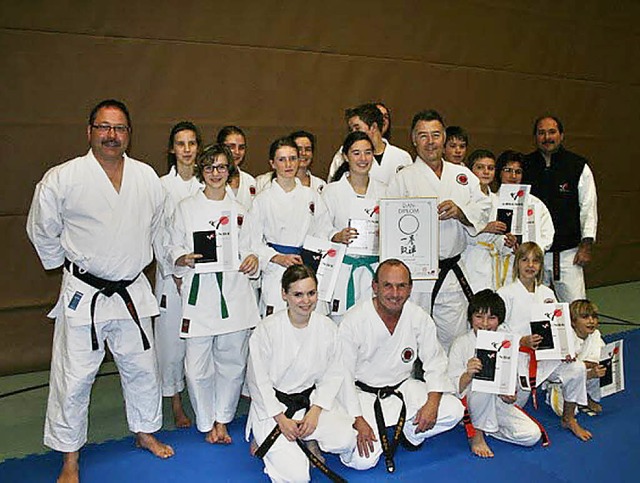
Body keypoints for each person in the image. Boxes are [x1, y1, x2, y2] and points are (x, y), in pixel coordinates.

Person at [26, 99, 173, 483]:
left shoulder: (146, 179)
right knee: (74, 379)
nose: (112, 135)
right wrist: (65, 265)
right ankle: (70, 457)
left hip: (131, 291)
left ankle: (144, 431)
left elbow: (158, 228)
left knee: (142, 370)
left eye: (120, 128)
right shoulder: (63, 178)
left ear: (129, 134)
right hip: (84, 293)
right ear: (89, 131)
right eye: (104, 127)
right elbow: (42, 228)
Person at [167, 144, 261, 444]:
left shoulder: (241, 211)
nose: (216, 173)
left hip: (234, 292)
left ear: (229, 170)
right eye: (209, 167)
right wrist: (182, 258)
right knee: (196, 366)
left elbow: (253, 247)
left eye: (221, 167)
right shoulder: (186, 208)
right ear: (201, 171)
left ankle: (222, 419)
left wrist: (253, 260)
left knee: (232, 361)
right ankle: (205, 420)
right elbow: (173, 245)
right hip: (201, 293)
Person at [339, 259, 463, 472]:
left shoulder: (418, 317)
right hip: (364, 395)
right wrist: (357, 419)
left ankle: (410, 432)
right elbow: (342, 374)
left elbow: (435, 362)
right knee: (363, 461)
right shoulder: (354, 321)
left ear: (410, 288)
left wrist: (432, 404)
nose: (395, 293)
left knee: (453, 410)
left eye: (401, 286)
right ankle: (360, 431)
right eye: (387, 285)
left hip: (403, 388)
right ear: (375, 287)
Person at [387, 109, 491, 350]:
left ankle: (448, 386)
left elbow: (484, 206)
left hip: (452, 271)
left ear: (444, 137)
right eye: (423, 136)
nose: (430, 141)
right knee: (412, 338)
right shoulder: (403, 178)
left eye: (435, 134)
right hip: (416, 273)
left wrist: (461, 212)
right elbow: (390, 225)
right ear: (413, 140)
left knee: (452, 341)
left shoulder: (462, 175)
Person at [246, 265, 357, 483]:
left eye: (311, 293)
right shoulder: (266, 330)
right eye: (298, 294)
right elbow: (258, 381)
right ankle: (265, 437)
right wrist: (280, 420)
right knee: (297, 477)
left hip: (309, 403)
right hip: (273, 407)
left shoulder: (327, 328)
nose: (306, 301)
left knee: (346, 439)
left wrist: (315, 412)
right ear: (284, 294)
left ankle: (310, 438)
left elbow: (333, 375)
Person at [497, 242, 591, 441]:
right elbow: (497, 330)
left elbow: (560, 327)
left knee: (577, 368)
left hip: (545, 357)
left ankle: (569, 418)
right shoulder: (505, 294)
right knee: (512, 406)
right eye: (525, 260)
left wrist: (567, 350)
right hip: (517, 359)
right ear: (517, 264)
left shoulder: (547, 294)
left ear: (541, 265)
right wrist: (521, 340)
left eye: (536, 260)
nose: (530, 265)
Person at [246, 136, 334, 316]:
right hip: (276, 270)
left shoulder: (312, 197)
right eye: (282, 159)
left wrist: (313, 255)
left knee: (310, 326)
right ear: (272, 163)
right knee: (276, 327)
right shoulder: (262, 200)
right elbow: (252, 242)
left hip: (307, 268)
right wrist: (277, 257)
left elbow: (323, 232)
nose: (288, 164)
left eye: (293, 158)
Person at [448, 289, 542, 458]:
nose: (484, 323)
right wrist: (468, 374)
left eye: (491, 318)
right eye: (479, 316)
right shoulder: (460, 344)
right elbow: (454, 388)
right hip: (470, 401)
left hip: (497, 403)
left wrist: (508, 395)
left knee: (532, 436)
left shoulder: (506, 342)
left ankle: (488, 428)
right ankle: (477, 434)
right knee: (482, 381)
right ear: (470, 318)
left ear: (499, 320)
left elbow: (511, 382)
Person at [153, 121, 202, 429]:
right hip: (171, 276)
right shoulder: (160, 186)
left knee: (200, 341)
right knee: (171, 344)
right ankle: (175, 402)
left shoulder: (207, 183)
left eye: (192, 143)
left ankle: (202, 398)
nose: (186, 150)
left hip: (201, 273)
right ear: (172, 149)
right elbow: (157, 235)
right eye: (180, 144)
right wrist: (174, 269)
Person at [523, 116, 598, 303]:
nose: (547, 137)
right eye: (541, 133)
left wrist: (586, 245)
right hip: (534, 254)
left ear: (561, 135)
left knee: (576, 307)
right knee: (535, 308)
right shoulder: (525, 166)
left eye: (552, 132)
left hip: (569, 254)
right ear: (535, 137)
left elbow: (588, 207)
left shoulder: (577, 166)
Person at [323, 131, 387, 322]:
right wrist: (336, 236)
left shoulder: (384, 190)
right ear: (345, 156)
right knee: (341, 328)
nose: (363, 158)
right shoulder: (331, 192)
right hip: (343, 269)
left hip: (374, 267)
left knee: (373, 326)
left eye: (368, 152)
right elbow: (319, 230)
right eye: (356, 153)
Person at [496, 150, 555, 287]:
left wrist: (528, 254)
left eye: (518, 171)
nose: (513, 176)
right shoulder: (490, 202)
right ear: (499, 172)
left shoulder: (536, 204)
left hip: (528, 267)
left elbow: (547, 234)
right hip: (497, 266)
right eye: (508, 170)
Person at [327, 103, 412, 185]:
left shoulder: (402, 156)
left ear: (373, 127)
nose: (353, 133)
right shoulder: (344, 154)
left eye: (357, 128)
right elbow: (333, 187)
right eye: (351, 130)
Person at [460, 149, 508, 293]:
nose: (486, 172)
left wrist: (507, 240)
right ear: (470, 171)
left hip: (490, 258)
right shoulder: (464, 198)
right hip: (469, 255)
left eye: (490, 168)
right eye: (480, 167)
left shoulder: (497, 200)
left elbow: (498, 237)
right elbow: (459, 228)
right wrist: (486, 227)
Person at [216, 125, 257, 209]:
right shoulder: (209, 179)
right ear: (220, 148)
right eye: (231, 147)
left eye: (241, 148)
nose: (237, 152)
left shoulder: (250, 181)